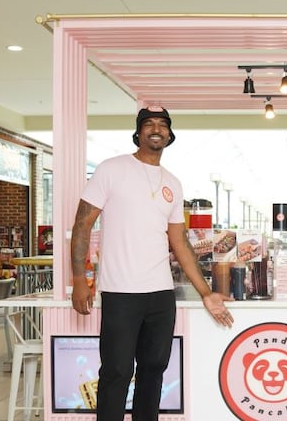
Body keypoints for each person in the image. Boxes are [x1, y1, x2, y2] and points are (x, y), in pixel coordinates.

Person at [70, 106, 234, 420]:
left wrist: (206, 292)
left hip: (160, 294)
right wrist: (80, 279)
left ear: (170, 135)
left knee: (153, 370)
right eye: (149, 124)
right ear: (138, 132)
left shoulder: (173, 182)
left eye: (162, 124)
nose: (156, 129)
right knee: (117, 371)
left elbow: (180, 242)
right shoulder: (111, 169)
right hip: (120, 292)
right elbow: (82, 225)